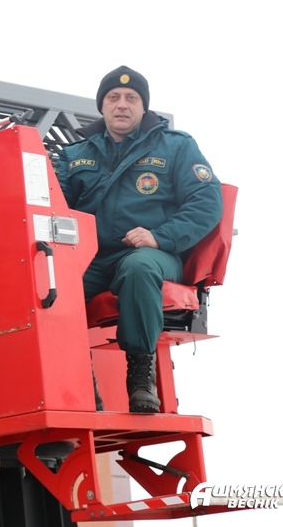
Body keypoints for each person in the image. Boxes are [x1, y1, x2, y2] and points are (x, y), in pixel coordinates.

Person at [57, 66, 223, 413]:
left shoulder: (176, 146)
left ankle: (140, 376)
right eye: (113, 97)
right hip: (90, 257)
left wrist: (160, 237)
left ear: (143, 106)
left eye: (131, 98)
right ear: (102, 106)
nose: (122, 104)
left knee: (138, 267)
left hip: (155, 254)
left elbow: (207, 202)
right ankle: (80, 378)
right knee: (51, 285)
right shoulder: (73, 155)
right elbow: (50, 203)